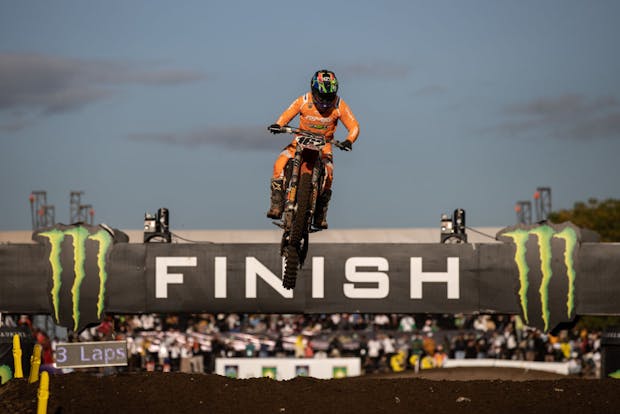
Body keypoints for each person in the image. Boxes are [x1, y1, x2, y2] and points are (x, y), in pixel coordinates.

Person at [267, 69, 360, 228]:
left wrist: (349, 141)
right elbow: (287, 114)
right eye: (321, 97)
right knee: (279, 164)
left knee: (329, 175)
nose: (324, 102)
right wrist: (278, 125)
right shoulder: (304, 100)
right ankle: (277, 204)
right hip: (299, 141)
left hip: (324, 146)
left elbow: (354, 126)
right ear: (313, 90)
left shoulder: (339, 105)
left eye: (328, 97)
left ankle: (320, 213)